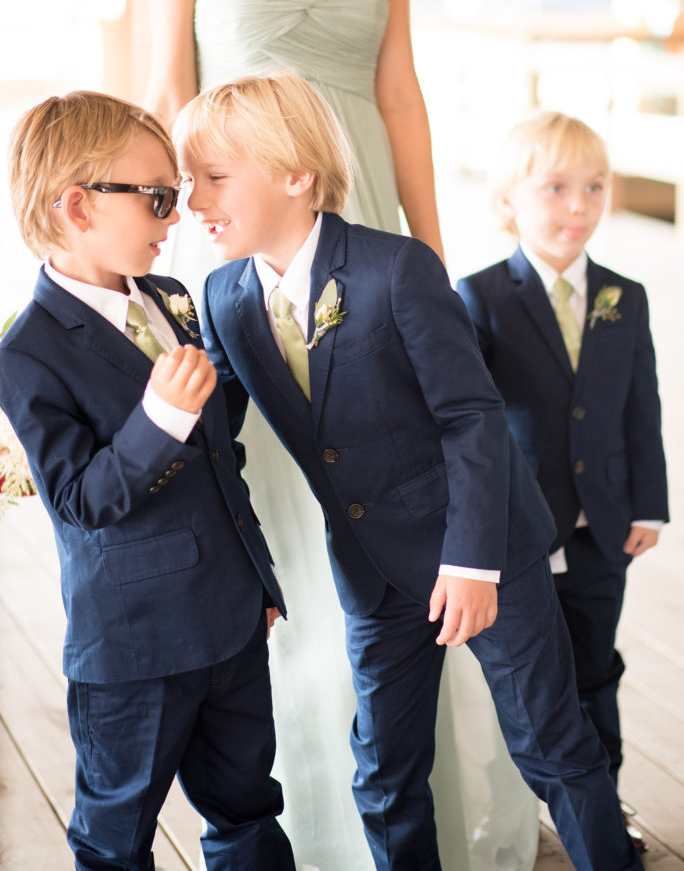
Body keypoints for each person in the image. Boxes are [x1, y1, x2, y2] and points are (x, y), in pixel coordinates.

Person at [146, 0, 538, 867]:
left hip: (360, 218)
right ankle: (312, 830)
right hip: (239, 238)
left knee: (399, 519)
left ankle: (412, 823)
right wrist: (146, 270)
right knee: (285, 527)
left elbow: (398, 87)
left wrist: (436, 263)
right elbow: (164, 88)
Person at [175, 73, 646, 871]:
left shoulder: (398, 270)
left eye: (214, 178)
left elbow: (472, 417)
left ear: (297, 175)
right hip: (372, 572)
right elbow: (212, 435)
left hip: (486, 545)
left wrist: (472, 563)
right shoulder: (223, 296)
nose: (193, 201)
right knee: (386, 771)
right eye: (187, 182)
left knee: (554, 746)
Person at [0, 91, 295, 871]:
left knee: (247, 807)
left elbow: (213, 450)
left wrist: (254, 575)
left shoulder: (169, 298)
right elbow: (80, 499)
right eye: (159, 197)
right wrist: (158, 415)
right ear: (76, 206)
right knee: (115, 837)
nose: (175, 217)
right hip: (132, 644)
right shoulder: (25, 352)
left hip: (230, 619)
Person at [456, 112, 669, 854]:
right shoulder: (479, 295)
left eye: (595, 187)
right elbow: (468, 423)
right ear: (509, 199)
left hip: (604, 525)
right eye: (555, 188)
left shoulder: (624, 296)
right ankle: (536, 812)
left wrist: (649, 503)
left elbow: (642, 405)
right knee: (536, 684)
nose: (579, 206)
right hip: (523, 529)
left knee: (597, 669)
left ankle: (603, 812)